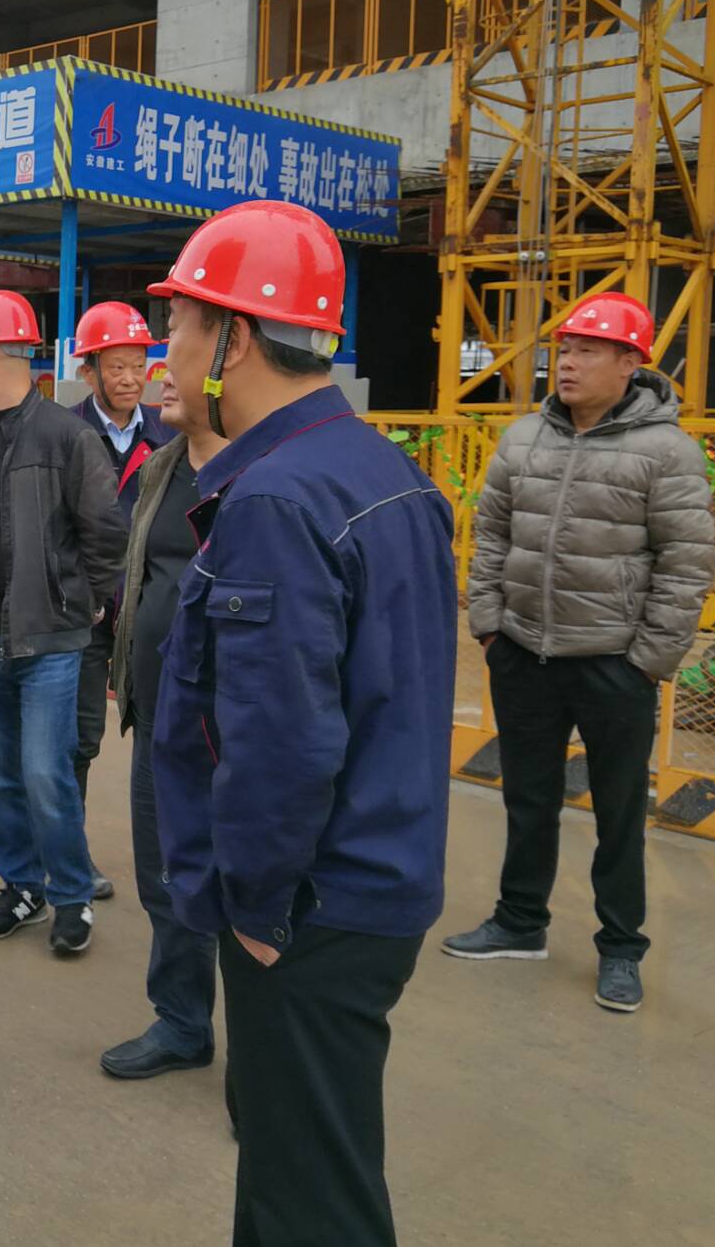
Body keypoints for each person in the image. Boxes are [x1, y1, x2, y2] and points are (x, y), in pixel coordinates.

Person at [148, 201, 456, 1247]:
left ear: (232, 339)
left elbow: (277, 743)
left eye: (179, 326)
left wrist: (258, 912)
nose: (168, 350)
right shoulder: (378, 467)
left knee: (307, 1198)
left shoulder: (275, 500)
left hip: (313, 907)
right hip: (379, 873)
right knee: (305, 1162)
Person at [444, 290, 714, 1014]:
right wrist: (491, 623)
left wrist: (646, 661)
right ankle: (519, 922)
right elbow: (491, 533)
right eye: (564, 350)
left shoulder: (667, 452)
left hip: (613, 664)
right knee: (528, 797)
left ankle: (620, 947)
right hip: (523, 653)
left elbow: (686, 566)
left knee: (619, 814)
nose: (567, 363)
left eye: (587, 351)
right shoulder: (524, 438)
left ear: (630, 363)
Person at [0, 290, 125, 956]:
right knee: (0, 777)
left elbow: (106, 535)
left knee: (44, 774)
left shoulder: (67, 437)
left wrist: (82, 604)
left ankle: (71, 894)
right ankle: (22, 886)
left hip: (49, 644)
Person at [100, 358, 226, 1081]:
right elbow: (139, 572)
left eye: (183, 365)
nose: (162, 380)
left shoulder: (261, 475)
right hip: (157, 715)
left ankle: (267, 1052)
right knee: (165, 877)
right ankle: (182, 1021)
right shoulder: (161, 468)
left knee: (249, 887)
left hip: (233, 727)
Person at [69, 301, 176, 901]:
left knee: (162, 734)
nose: (132, 379)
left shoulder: (168, 435)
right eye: (117, 368)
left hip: (145, 610)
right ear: (89, 371)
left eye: (139, 365)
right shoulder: (65, 434)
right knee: (78, 741)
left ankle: (169, 862)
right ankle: (71, 858)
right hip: (83, 613)